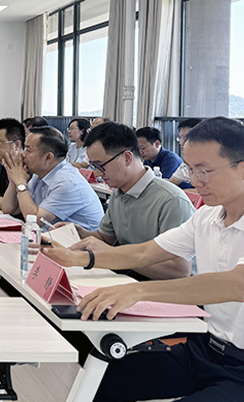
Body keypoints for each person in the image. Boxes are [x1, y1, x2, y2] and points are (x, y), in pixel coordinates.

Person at [43, 117, 244, 401]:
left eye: (205, 171)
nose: (195, 181)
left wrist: (137, 291)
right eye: (190, 169)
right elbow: (144, 252)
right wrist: (77, 258)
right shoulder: (207, 215)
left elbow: (236, 284)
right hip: (204, 348)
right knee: (95, 383)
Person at [59, 121, 194, 280]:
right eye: (94, 166)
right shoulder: (119, 192)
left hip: (158, 287)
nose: (98, 173)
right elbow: (105, 238)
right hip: (127, 277)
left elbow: (180, 271)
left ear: (127, 158)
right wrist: (79, 232)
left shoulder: (171, 201)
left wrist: (115, 254)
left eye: (100, 166)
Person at [2, 125, 103, 230]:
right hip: (54, 237)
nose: (23, 154)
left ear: (48, 158)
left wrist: (20, 182)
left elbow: (35, 220)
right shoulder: (40, 174)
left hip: (80, 240)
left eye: (28, 150)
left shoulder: (66, 182)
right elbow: (9, 209)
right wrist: (14, 181)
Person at [170, 118, 204, 189]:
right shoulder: (188, 161)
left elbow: (213, 192)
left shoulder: (213, 161)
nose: (181, 142)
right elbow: (170, 184)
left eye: (185, 138)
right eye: (180, 138)